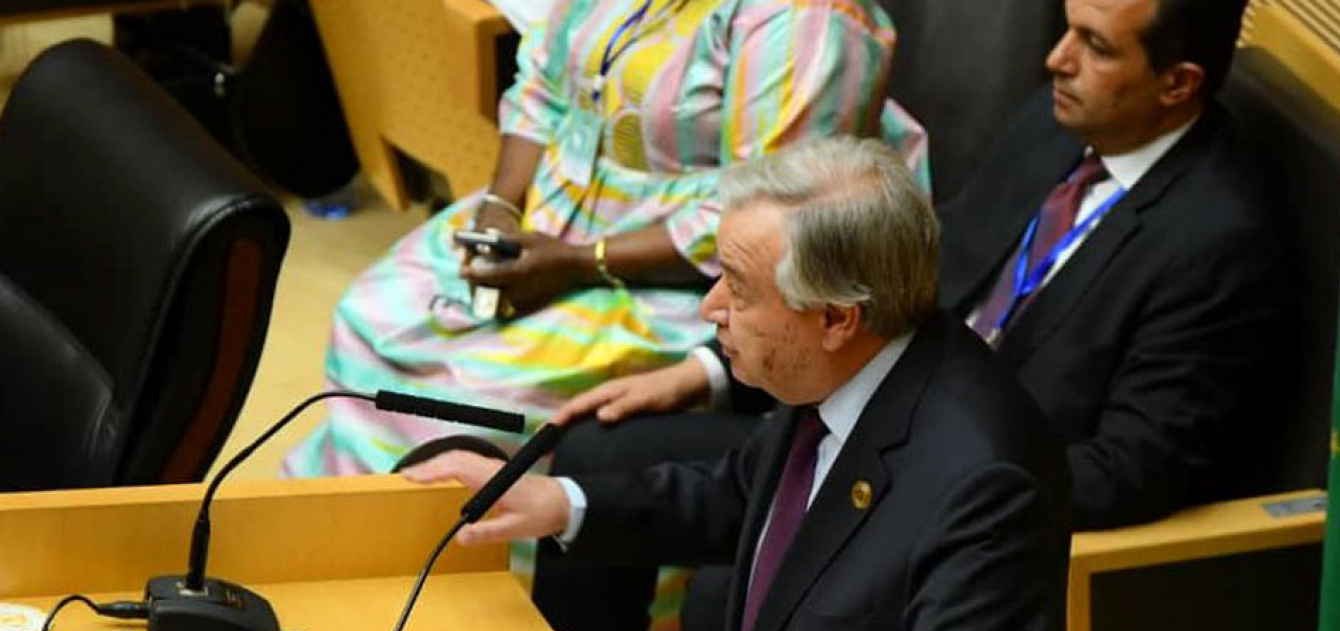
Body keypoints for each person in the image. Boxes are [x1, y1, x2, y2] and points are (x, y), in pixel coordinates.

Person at [536, 0, 1276, 631]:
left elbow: (1137, 465)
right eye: (1064, 28)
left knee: (726, 591)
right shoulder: (1061, 127)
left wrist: (942, 490)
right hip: (874, 393)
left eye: (1096, 45)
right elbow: (926, 266)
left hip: (963, 479)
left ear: (1177, 83)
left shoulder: (1216, 238)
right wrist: (706, 372)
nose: (1058, 59)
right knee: (601, 449)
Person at [404, 138, 1076, 631]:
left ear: (836, 318)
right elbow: (742, 493)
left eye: (739, 287)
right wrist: (560, 502)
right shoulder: (840, 367)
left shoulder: (984, 480)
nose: (710, 307)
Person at [283, 0, 926, 479]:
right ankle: (360, 539)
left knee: (464, 398)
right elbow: (541, 85)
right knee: (367, 317)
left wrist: (574, 263)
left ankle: (484, 589)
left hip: (691, 269)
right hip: (549, 221)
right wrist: (501, 207)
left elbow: (776, 214)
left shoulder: (810, 20)